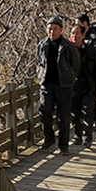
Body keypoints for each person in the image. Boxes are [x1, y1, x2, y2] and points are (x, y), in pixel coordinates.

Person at [36, 15, 80, 155]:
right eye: (49, 29)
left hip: (64, 85)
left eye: (55, 29)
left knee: (64, 116)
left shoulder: (68, 46)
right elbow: (39, 62)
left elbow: (76, 65)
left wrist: (70, 76)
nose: (52, 32)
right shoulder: (42, 45)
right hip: (47, 85)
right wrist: (40, 74)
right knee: (45, 113)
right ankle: (48, 139)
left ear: (61, 30)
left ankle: (63, 145)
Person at [70, 23, 96, 148]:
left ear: (83, 35)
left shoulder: (91, 51)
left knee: (87, 111)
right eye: (72, 33)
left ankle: (87, 137)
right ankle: (77, 135)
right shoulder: (67, 50)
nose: (74, 36)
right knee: (75, 112)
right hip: (73, 86)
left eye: (77, 33)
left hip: (88, 85)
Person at [77, 13, 96, 131]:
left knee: (91, 99)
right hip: (80, 73)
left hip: (91, 72)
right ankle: (90, 123)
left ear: (85, 24)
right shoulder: (79, 35)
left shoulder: (94, 36)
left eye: (78, 23)